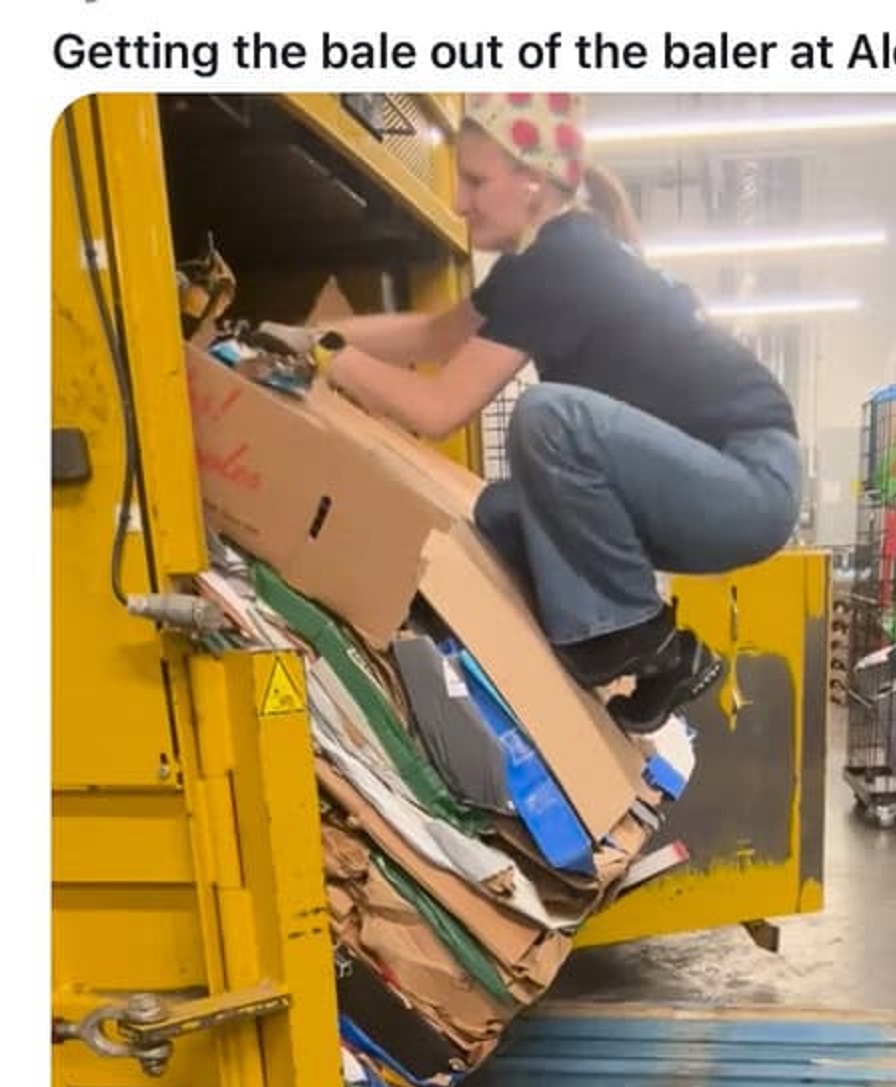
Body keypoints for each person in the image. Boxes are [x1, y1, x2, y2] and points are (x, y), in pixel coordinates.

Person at [259, 93, 802, 735]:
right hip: (712, 480)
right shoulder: (543, 263)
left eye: (476, 181)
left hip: (749, 482)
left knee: (549, 416)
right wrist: (310, 330)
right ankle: (665, 664)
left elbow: (438, 409)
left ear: (533, 181)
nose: (461, 202)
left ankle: (636, 634)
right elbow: (435, 336)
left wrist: (328, 357)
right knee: (501, 514)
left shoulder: (563, 260)